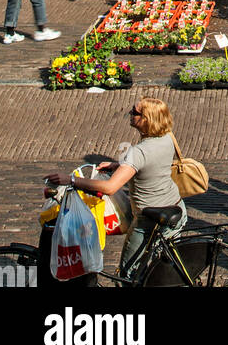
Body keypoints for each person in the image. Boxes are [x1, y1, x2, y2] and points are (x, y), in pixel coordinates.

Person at [48, 97, 187, 279]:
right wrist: (118, 166)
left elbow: (109, 187)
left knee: (128, 275)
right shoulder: (167, 137)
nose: (130, 114)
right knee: (165, 272)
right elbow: (152, 164)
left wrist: (72, 180)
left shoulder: (138, 152)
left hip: (149, 220)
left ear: (146, 119)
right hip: (176, 207)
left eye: (135, 112)